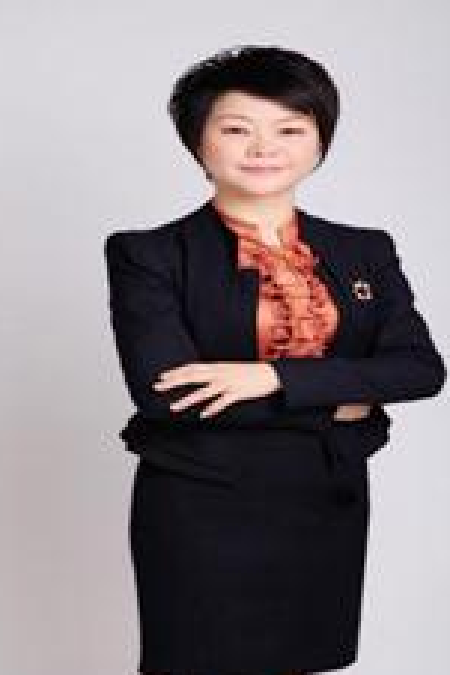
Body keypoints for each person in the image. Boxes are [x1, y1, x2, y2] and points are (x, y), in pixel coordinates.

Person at [104, 45, 447, 675]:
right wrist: (339, 397)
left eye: (290, 129)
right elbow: (167, 395)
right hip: (202, 504)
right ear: (198, 141)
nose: (264, 148)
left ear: (320, 142)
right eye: (237, 129)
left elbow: (420, 370)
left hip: (326, 500)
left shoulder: (365, 250)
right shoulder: (148, 254)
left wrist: (268, 377)